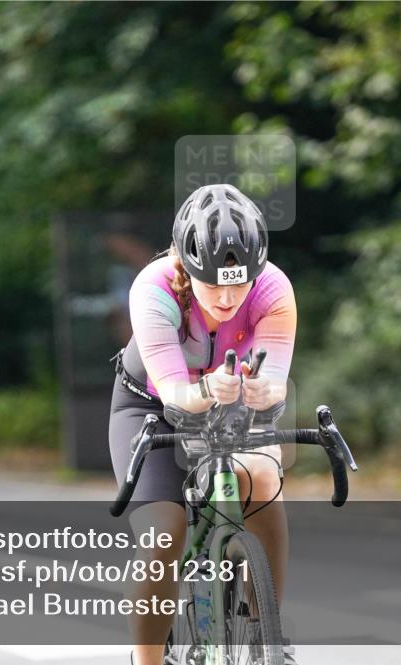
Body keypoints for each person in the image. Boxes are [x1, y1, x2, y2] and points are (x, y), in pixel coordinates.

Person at [108, 183, 298, 665]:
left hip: (235, 405)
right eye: (214, 283)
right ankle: (147, 659)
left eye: (240, 282)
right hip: (150, 406)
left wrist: (263, 390)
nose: (229, 296)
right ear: (186, 268)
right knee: (164, 533)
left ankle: (265, 635)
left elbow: (275, 380)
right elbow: (176, 394)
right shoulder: (153, 289)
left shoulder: (274, 289)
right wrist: (212, 388)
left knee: (263, 478)